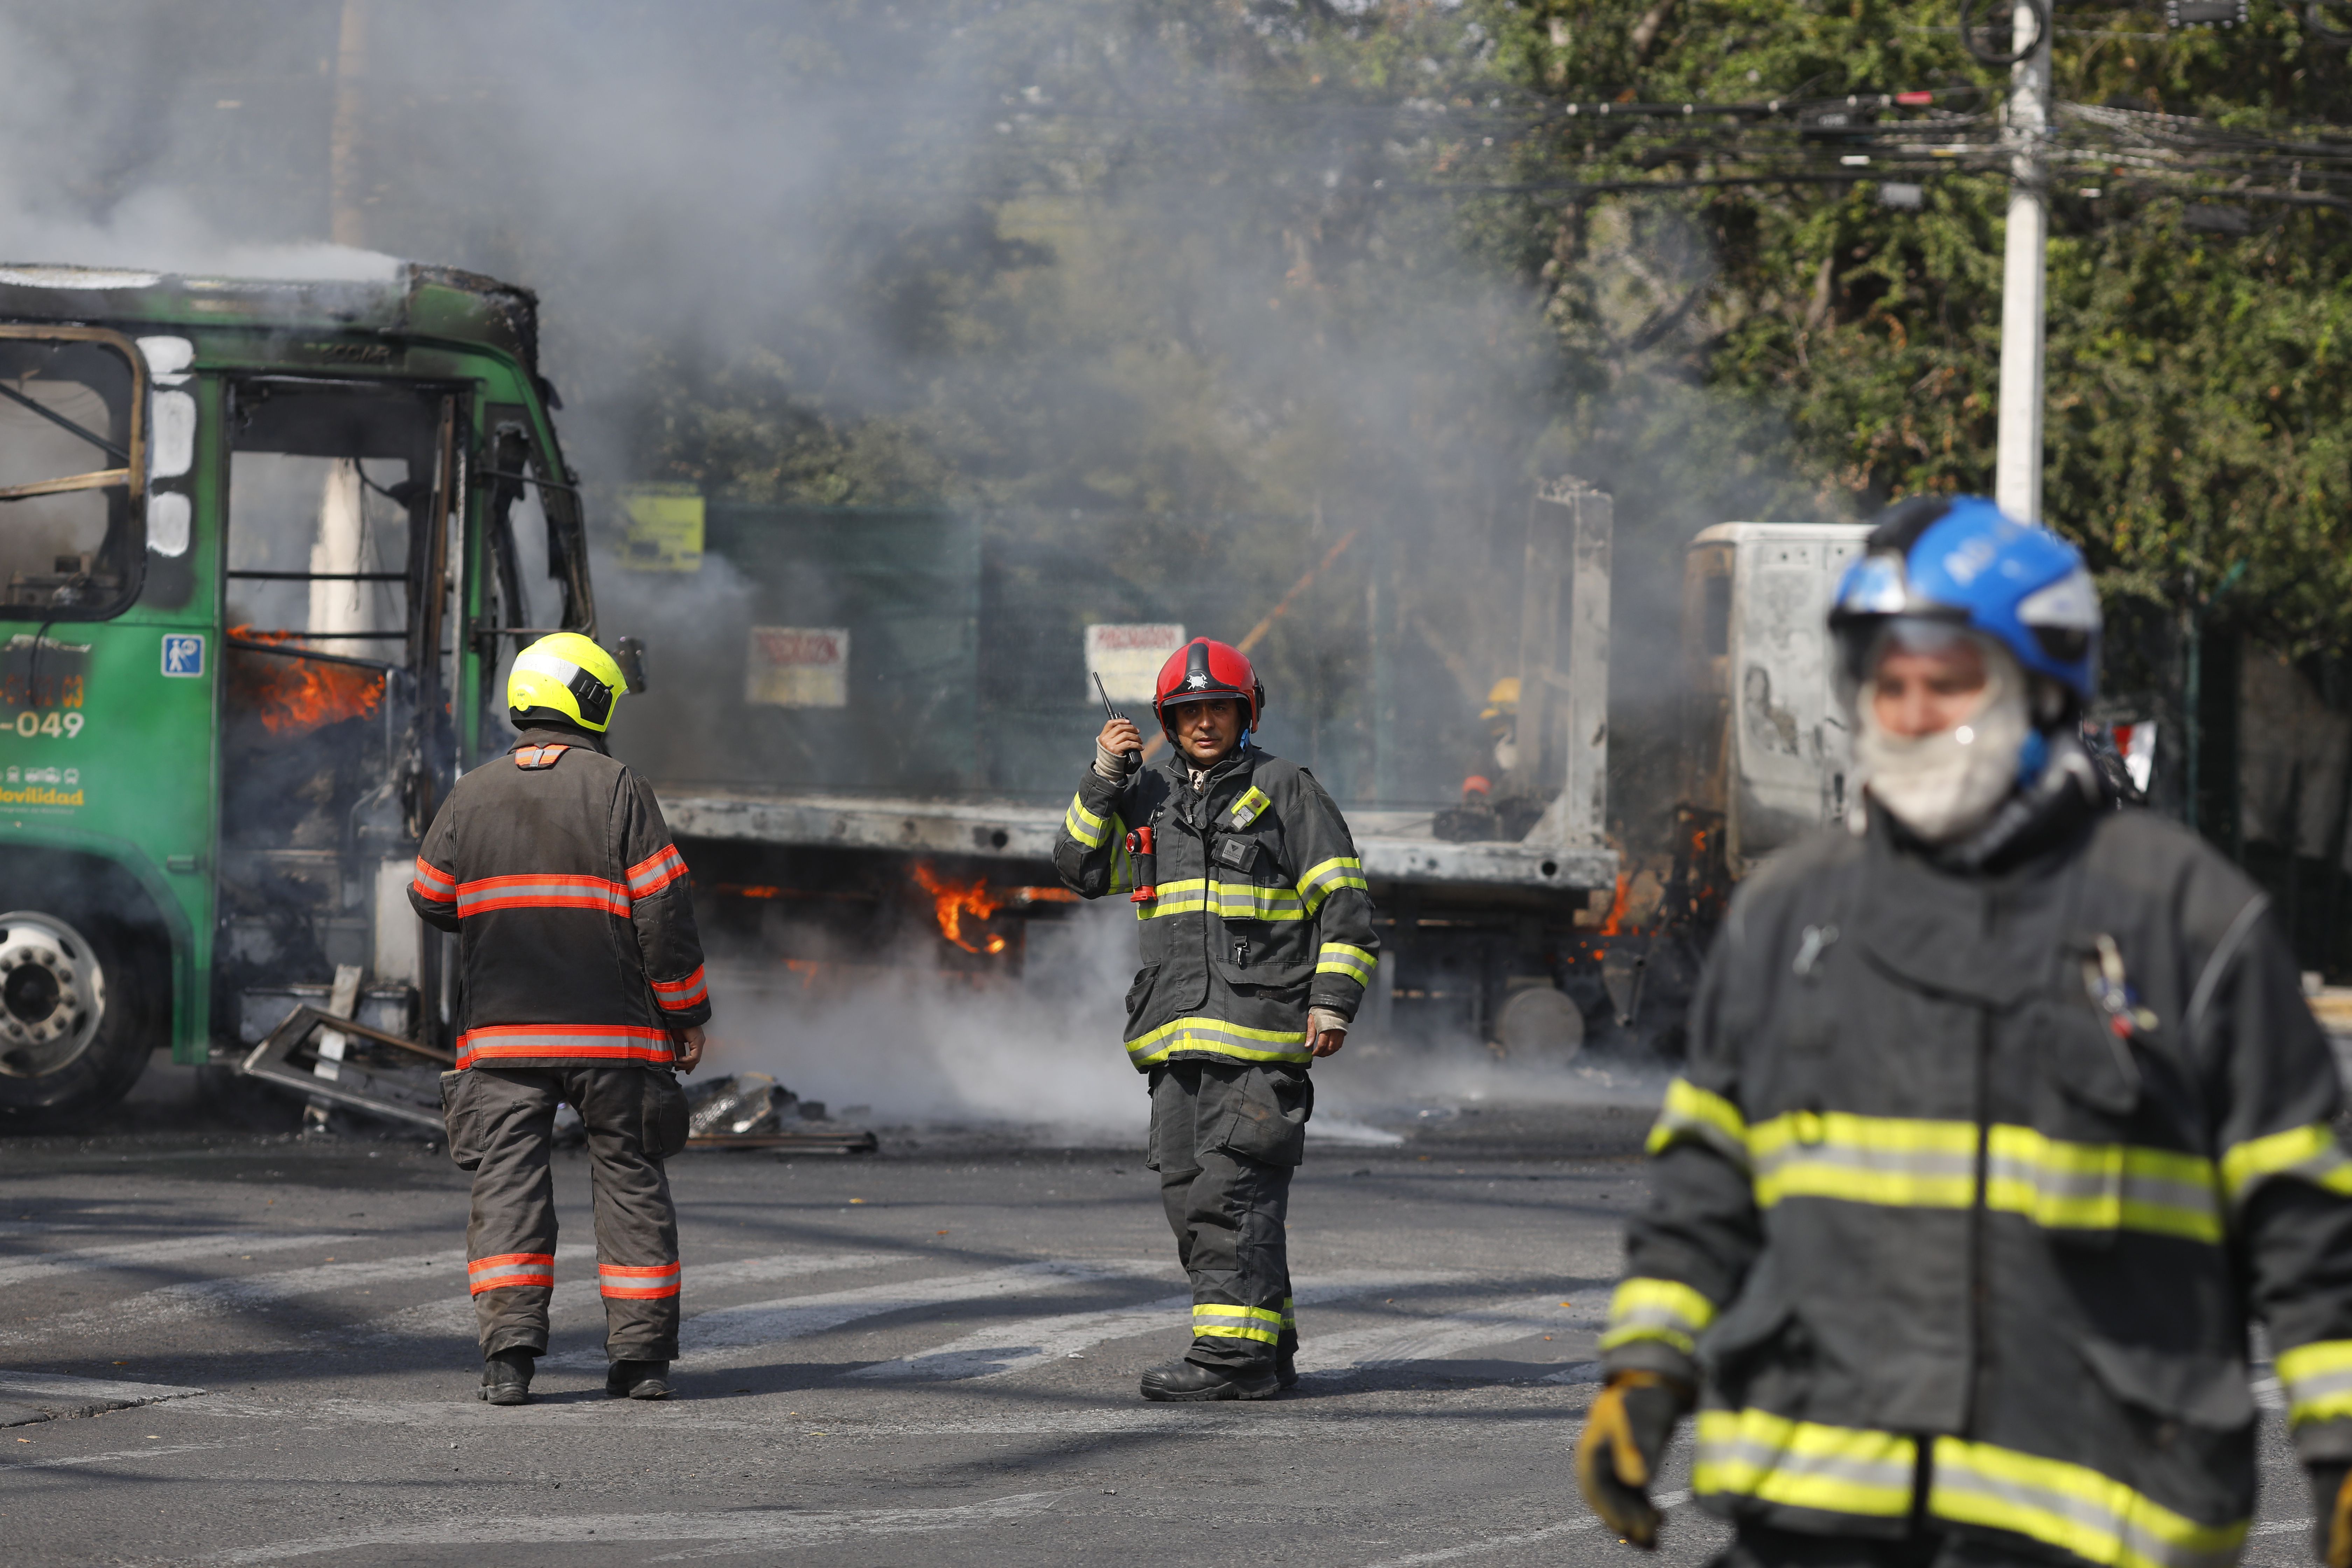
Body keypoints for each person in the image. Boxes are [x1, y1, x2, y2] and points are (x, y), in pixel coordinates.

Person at [1576, 496, 2352, 1568]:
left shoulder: (2188, 921)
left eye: (1947, 682)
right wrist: (1645, 1371)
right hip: (1811, 1512)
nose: (1912, 712)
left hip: (2094, 1517)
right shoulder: (1794, 913)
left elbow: (2305, 1221)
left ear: (2043, 689)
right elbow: (1709, 1174)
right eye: (1886, 685)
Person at [1055, 636, 1379, 1401]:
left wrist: (1331, 1000)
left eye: (1219, 708)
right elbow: (1080, 869)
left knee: (1229, 1196)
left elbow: (1345, 902)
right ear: (1167, 720)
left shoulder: (1285, 788)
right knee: (1189, 1191)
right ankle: (1269, 1342)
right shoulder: (1149, 795)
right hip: (1175, 1038)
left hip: (1260, 1037)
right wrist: (1104, 775)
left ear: (1246, 711)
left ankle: (1232, 1360)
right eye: (1189, 710)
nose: (1205, 722)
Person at [410, 632, 712, 1407]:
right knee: (631, 1181)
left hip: (504, 1040)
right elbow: (663, 910)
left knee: (506, 1185)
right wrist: (685, 1012)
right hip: (614, 1038)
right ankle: (640, 1362)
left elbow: (430, 894)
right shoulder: (619, 788)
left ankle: (507, 1360)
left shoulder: (470, 791)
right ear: (593, 700)